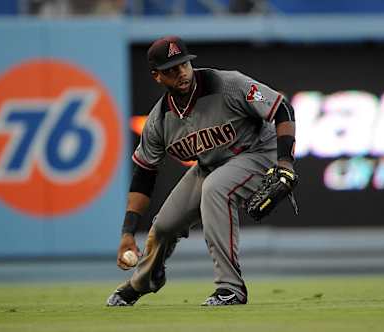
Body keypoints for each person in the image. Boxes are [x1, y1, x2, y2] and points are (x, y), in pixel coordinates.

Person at [106, 36, 297, 306]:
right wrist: (127, 233)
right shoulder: (159, 121)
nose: (181, 73)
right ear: (157, 76)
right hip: (212, 164)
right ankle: (143, 281)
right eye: (171, 69)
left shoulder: (227, 84)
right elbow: (144, 175)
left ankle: (231, 289)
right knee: (163, 226)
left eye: (183, 64)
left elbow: (282, 109)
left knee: (216, 188)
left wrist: (285, 163)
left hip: (257, 152)